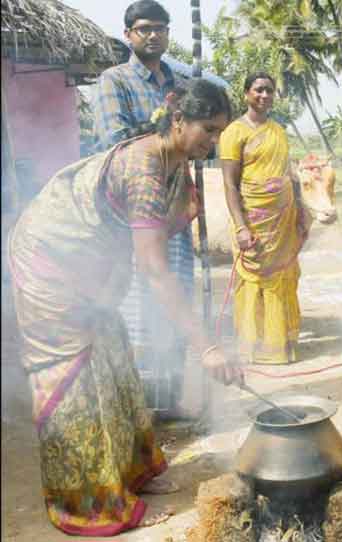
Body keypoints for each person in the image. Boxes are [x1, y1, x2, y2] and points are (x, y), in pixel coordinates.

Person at [8, 79, 241, 536]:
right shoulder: (144, 169)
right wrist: (207, 348)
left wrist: (105, 293)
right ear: (178, 120)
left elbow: (130, 245)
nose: (213, 143)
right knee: (74, 379)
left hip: (84, 264)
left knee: (112, 353)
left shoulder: (174, 162)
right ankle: (88, 504)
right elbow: (154, 271)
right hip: (47, 265)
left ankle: (131, 475)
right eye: (208, 130)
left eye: (219, 133)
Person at [93, 0, 194, 418]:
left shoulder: (182, 82)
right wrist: (165, 135)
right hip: (133, 214)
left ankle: (167, 404)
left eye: (161, 29)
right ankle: (135, 411)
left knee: (176, 297)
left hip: (176, 209)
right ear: (129, 34)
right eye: (144, 28)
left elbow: (197, 137)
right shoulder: (113, 80)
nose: (154, 35)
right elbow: (114, 142)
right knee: (137, 308)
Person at [219, 73, 309, 364]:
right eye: (258, 90)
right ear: (246, 94)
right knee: (254, 280)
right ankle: (253, 348)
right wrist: (241, 227)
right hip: (253, 222)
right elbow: (230, 184)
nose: (264, 95)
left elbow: (289, 177)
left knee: (282, 276)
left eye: (269, 90)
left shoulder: (278, 131)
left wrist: (301, 213)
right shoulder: (233, 132)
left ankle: (280, 344)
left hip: (283, 221)